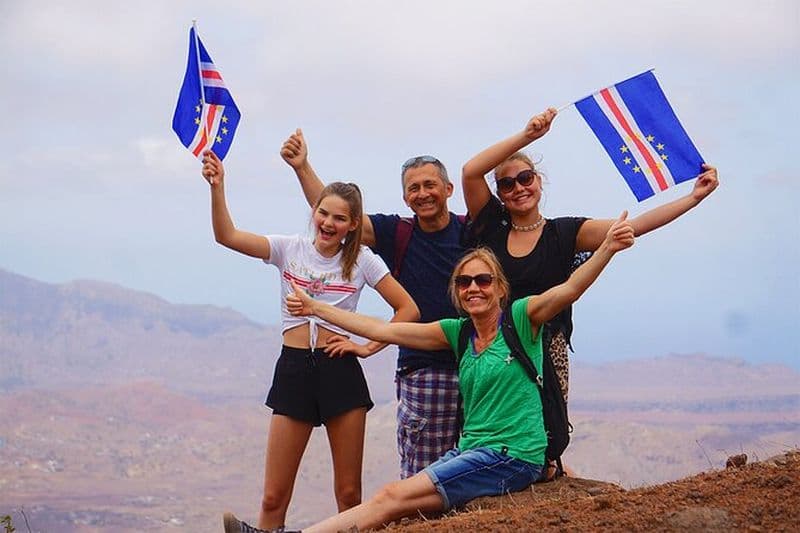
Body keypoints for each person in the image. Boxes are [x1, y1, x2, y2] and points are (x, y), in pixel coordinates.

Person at [223, 211, 635, 533]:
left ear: (499, 287)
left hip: (511, 456)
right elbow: (384, 330)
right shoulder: (457, 333)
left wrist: (607, 249)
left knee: (391, 496)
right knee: (395, 503)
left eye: (483, 280)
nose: (474, 288)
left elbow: (569, 290)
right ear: (457, 292)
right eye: (465, 282)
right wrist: (316, 308)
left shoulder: (522, 318)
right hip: (473, 451)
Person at [201, 150, 419, 533]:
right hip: (294, 369)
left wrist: (367, 347)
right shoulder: (289, 248)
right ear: (314, 212)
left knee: (349, 494)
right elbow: (227, 236)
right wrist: (217, 187)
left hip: (340, 372)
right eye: (323, 213)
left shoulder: (363, 260)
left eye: (339, 218)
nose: (329, 223)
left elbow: (408, 310)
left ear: (353, 224)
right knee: (273, 497)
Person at [461, 107, 719, 415]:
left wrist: (693, 198)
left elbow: (634, 226)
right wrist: (527, 136)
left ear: (539, 181)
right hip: (492, 346)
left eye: (525, 178)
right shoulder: (491, 226)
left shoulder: (564, 233)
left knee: (546, 431)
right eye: (507, 184)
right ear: (500, 194)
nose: (518, 188)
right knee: (490, 427)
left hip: (545, 350)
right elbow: (471, 171)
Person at [281, 129, 467, 478]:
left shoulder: (471, 231)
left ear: (448, 189)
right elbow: (337, 214)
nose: (423, 193)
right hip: (423, 369)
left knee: (479, 469)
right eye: (414, 188)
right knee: (423, 478)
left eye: (430, 185)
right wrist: (302, 167)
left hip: (476, 364)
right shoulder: (397, 232)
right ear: (405, 197)